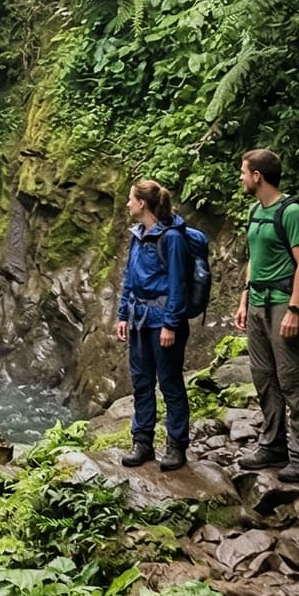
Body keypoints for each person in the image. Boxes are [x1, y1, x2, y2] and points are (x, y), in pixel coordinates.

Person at [233, 148, 299, 482]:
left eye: (243, 172)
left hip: (284, 302)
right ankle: (272, 444)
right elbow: (253, 259)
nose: (240, 177)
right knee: (264, 376)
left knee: (292, 379)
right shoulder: (256, 211)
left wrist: (295, 308)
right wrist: (244, 299)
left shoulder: (292, 212)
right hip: (257, 303)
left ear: (258, 176)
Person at [115, 179, 190, 471]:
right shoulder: (137, 235)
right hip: (138, 319)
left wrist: (171, 324)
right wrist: (123, 315)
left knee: (170, 382)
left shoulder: (171, 238)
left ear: (142, 203)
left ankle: (176, 445)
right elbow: (129, 278)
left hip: (162, 321)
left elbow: (178, 284)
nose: (127, 204)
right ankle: (142, 441)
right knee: (142, 381)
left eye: (131, 199)